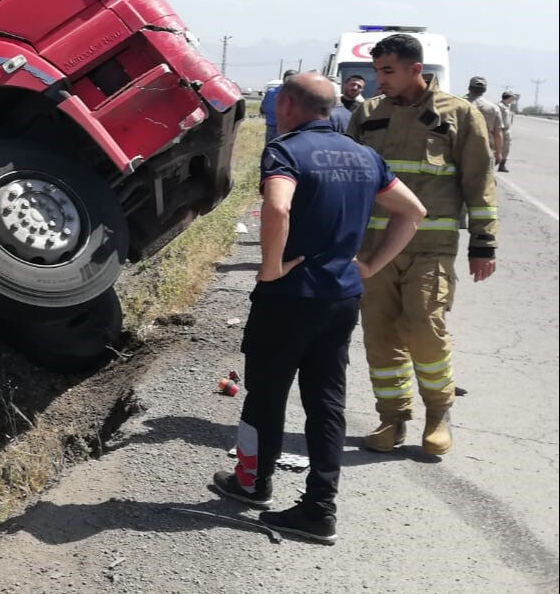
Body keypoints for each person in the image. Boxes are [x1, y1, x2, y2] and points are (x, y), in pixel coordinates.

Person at [212, 73, 425, 544]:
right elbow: (413, 212)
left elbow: (279, 207)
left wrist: (270, 268)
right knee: (326, 402)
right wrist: (370, 264)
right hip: (341, 297)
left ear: (286, 104)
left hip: (288, 298)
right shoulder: (365, 156)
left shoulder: (286, 151)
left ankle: (251, 483)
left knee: (265, 395)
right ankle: (318, 509)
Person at [347, 35, 497, 455]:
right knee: (379, 335)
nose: (378, 79)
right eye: (376, 70)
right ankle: (392, 420)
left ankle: (438, 414)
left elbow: (479, 180)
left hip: (431, 247)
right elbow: (352, 180)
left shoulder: (459, 114)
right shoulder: (367, 113)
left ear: (416, 69)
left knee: (425, 330)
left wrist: (483, 244)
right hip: (373, 249)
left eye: (387, 71)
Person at [466, 77, 505, 171]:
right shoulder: (493, 108)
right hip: (485, 150)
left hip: (461, 150)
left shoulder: (458, 104)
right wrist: (498, 153)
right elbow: (498, 134)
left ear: (469, 88)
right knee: (484, 181)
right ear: (485, 90)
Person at [262, 70, 295, 143]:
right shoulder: (294, 94)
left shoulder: (270, 92)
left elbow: (264, 108)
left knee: (270, 149)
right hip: (286, 128)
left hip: (270, 126)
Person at [497, 92, 517, 171]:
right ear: (508, 97)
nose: (512, 100)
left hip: (506, 130)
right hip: (500, 129)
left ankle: (502, 166)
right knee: (496, 148)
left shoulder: (508, 106)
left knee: (506, 148)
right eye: (512, 98)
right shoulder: (499, 106)